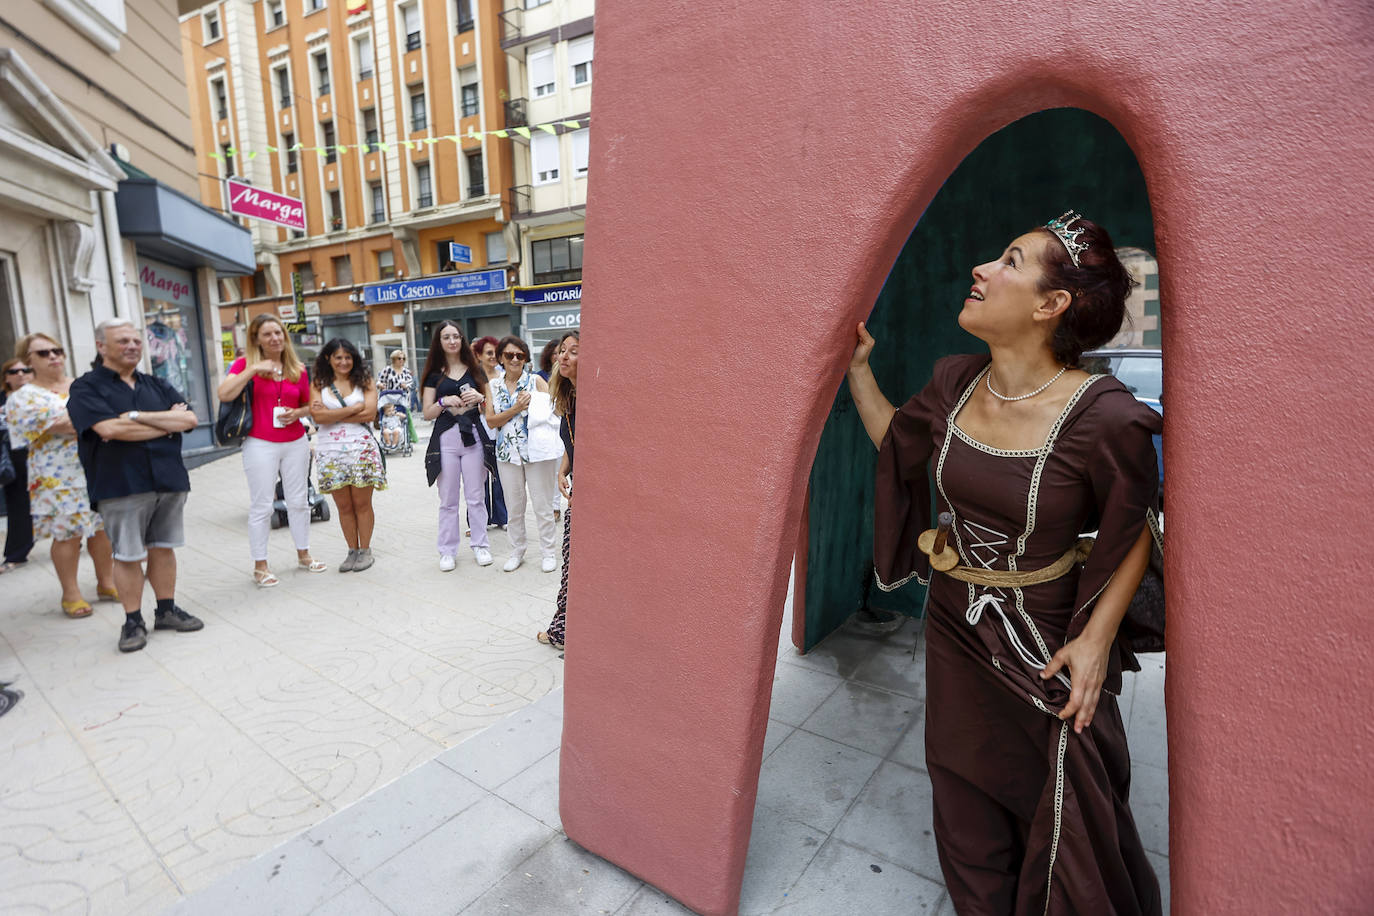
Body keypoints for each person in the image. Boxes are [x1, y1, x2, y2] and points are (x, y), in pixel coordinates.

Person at [847, 213, 1162, 915]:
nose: (982, 270)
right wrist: (858, 371)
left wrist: (1095, 641)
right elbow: (898, 442)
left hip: (1044, 639)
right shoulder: (956, 381)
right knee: (962, 786)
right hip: (954, 624)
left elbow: (1132, 527)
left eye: (1010, 261)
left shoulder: (1103, 417)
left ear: (1052, 305)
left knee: (1065, 799)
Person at [67, 319, 204, 653]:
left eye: (135, 340)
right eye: (122, 341)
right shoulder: (86, 388)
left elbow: (189, 420)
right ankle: (132, 621)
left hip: (168, 479)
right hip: (120, 484)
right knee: (128, 555)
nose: (132, 345)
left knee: (164, 547)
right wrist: (162, 422)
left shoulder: (156, 383)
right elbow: (108, 431)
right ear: (101, 346)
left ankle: (166, 610)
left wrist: (133, 416)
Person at [6, 333, 116, 616]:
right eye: (43, 353)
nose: (54, 356)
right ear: (28, 360)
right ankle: (71, 593)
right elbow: (67, 425)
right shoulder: (23, 397)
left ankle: (106, 582)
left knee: (102, 530)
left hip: (97, 467)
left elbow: (111, 413)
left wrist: (91, 418)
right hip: (56, 476)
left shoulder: (82, 385)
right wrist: (93, 417)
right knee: (67, 534)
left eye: (57, 350)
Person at [216, 314, 326, 586]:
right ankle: (261, 565)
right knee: (262, 505)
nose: (275, 338)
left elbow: (311, 404)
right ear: (256, 339)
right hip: (259, 443)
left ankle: (304, 554)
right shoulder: (244, 365)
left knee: (299, 501)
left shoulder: (297, 368)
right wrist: (253, 370)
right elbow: (224, 394)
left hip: (295, 441)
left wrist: (297, 412)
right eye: (267, 334)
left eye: (278, 333)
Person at [309, 338, 386, 572]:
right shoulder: (318, 383)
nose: (344, 362)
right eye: (338, 357)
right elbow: (317, 417)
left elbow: (370, 413)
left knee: (362, 504)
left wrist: (333, 414)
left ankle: (365, 550)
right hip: (330, 453)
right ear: (328, 359)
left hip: (361, 450)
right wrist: (353, 409)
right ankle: (352, 550)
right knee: (343, 506)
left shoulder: (365, 380)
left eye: (348, 357)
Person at [483, 336, 559, 573]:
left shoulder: (536, 381)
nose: (515, 359)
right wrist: (516, 409)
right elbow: (491, 421)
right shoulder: (492, 385)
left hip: (536, 452)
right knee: (514, 507)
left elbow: (553, 414)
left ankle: (548, 552)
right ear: (501, 359)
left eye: (520, 355)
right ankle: (518, 550)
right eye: (509, 355)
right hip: (506, 454)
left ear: (526, 358)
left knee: (543, 505)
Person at [421, 321, 492, 569]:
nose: (452, 341)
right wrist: (443, 400)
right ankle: (447, 551)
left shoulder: (475, 370)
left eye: (456, 336)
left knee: (476, 497)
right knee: (448, 499)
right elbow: (426, 412)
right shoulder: (433, 374)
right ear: (439, 342)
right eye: (446, 337)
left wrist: (480, 397)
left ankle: (481, 545)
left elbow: (489, 406)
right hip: (446, 439)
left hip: (473, 436)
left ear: (462, 340)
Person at [537, 330, 579, 649]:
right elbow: (573, 442)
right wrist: (565, 467)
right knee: (573, 559)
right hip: (580, 489)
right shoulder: (569, 397)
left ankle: (563, 631)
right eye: (562, 350)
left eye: (574, 351)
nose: (564, 356)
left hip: (594, 495)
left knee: (574, 560)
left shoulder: (593, 397)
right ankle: (565, 628)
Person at [470, 335, 508, 530]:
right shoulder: (472, 376)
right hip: (478, 431)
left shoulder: (504, 375)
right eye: (489, 353)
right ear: (479, 355)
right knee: (478, 478)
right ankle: (478, 521)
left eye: (496, 353)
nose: (493, 356)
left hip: (501, 431)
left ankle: (503, 517)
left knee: (501, 476)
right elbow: (471, 405)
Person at [1, 358, 35, 573]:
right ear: (6, 377)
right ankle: (16, 553)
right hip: (13, 456)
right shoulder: (3, 399)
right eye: (14, 371)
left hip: (44, 455)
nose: (21, 374)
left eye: (26, 370)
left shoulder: (42, 396)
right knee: (18, 504)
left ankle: (71, 540)